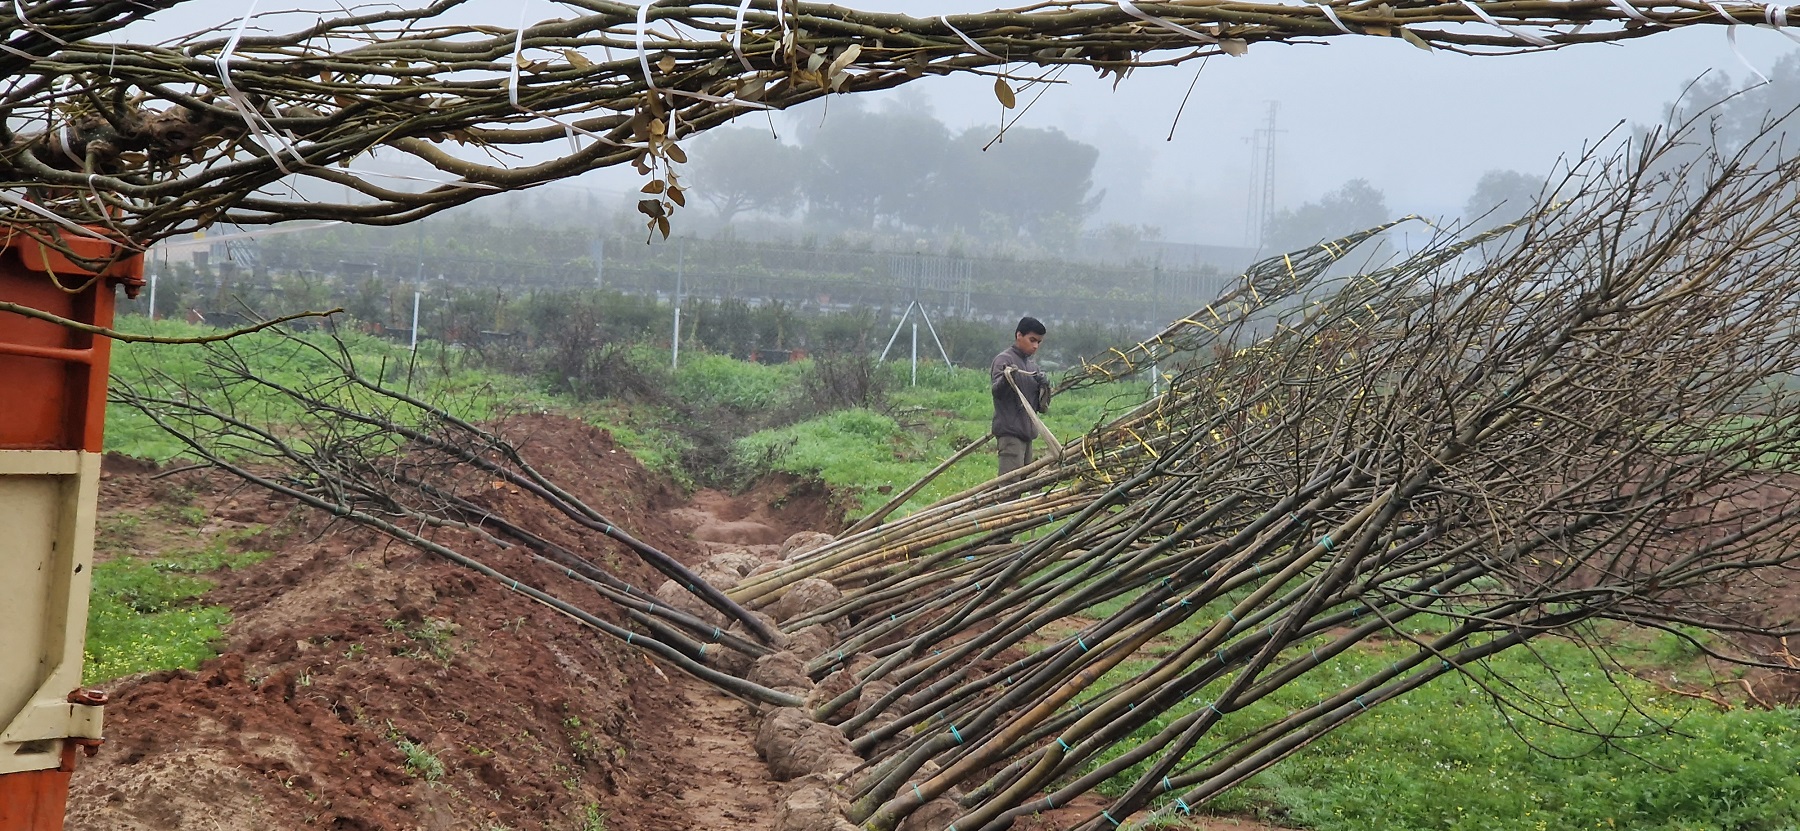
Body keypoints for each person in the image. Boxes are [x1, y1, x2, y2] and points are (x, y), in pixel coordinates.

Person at [990, 316, 1049, 476]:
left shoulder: (1031, 366)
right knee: (1010, 488)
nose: (1035, 346)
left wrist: (1044, 386)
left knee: (1027, 485)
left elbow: (1041, 407)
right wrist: (1007, 378)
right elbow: (997, 392)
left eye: (1038, 342)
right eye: (1032, 340)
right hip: (1010, 435)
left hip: (1028, 436)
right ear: (1019, 336)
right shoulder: (1004, 360)